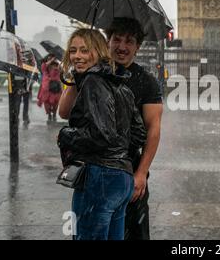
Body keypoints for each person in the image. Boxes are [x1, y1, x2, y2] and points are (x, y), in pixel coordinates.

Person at [59, 18, 163, 240]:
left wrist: (141, 172)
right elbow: (64, 112)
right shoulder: (96, 75)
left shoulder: (144, 82)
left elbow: (152, 130)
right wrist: (75, 78)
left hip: (113, 170)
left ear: (138, 47)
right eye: (117, 39)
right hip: (120, 173)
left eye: (129, 41)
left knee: (129, 233)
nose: (122, 46)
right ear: (107, 42)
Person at [37, 54, 62, 123]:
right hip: (46, 87)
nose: (51, 59)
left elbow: (61, 72)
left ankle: (54, 114)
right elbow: (44, 68)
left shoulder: (57, 65)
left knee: (55, 102)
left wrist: (58, 66)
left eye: (53, 58)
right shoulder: (44, 65)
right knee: (47, 102)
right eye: (49, 58)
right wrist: (51, 61)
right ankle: (49, 114)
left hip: (56, 86)